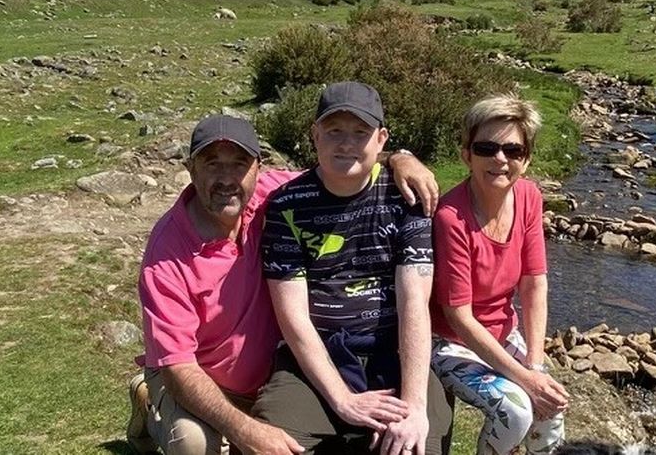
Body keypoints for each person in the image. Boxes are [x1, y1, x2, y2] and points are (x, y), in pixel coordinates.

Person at [127, 113, 439, 455]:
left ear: (258, 168)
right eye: (212, 163)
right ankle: (151, 401)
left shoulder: (273, 195)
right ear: (191, 169)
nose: (227, 178)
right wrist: (244, 429)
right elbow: (179, 367)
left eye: (240, 164)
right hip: (196, 379)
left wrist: (400, 158)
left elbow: (342, 165)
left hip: (268, 378)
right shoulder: (166, 256)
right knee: (195, 444)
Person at [254, 81, 454, 455]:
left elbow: (414, 303)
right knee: (273, 443)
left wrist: (413, 407)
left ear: (381, 139)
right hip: (315, 358)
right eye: (334, 131)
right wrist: (341, 398)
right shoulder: (286, 205)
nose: (346, 143)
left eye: (360, 132)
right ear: (315, 135)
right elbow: (292, 317)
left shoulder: (407, 198)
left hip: (391, 352)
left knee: (414, 443)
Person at [430, 95, 569, 455]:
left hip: (503, 332)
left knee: (551, 406)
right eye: (486, 148)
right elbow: (457, 316)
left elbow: (534, 283)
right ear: (466, 154)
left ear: (527, 158)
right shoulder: (451, 217)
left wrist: (535, 365)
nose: (500, 159)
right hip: (449, 342)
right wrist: (524, 379)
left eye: (513, 150)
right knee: (516, 411)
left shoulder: (529, 197)